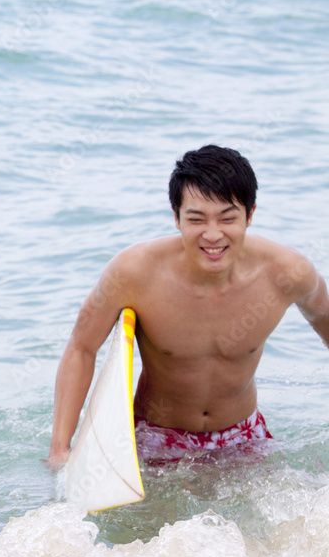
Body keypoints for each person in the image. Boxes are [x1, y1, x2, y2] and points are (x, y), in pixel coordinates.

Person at [49, 145, 329, 465]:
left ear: (250, 215)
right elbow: (81, 348)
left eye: (227, 218)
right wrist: (60, 449)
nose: (212, 235)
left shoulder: (287, 272)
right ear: (176, 217)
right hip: (155, 437)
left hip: (243, 437)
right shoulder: (134, 273)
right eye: (196, 219)